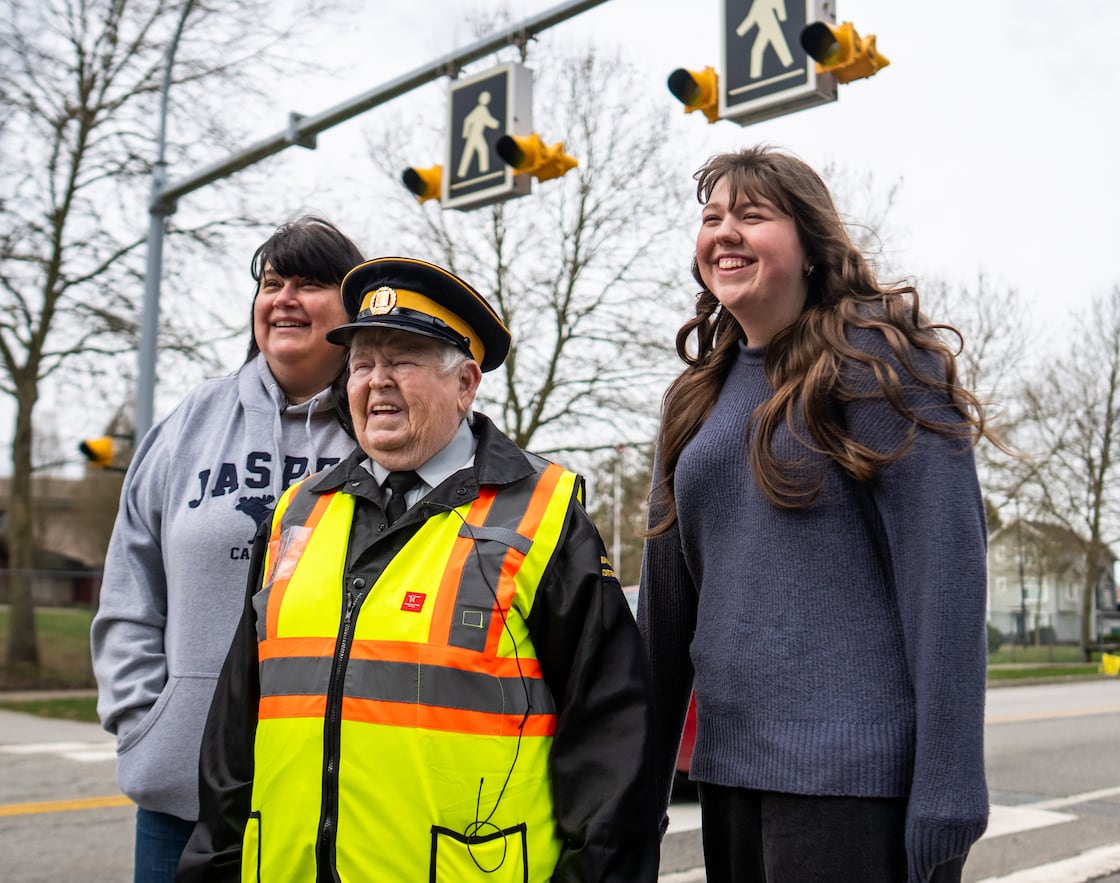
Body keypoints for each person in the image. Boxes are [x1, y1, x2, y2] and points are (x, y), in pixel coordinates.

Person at [178, 256, 659, 882]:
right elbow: (233, 731)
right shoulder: (296, 515)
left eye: (402, 361)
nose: (376, 382)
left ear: (465, 384)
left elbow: (610, 742)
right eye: (361, 364)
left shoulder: (544, 517)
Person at [637, 146, 994, 883]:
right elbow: (664, 621)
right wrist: (635, 795)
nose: (724, 232)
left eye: (752, 215)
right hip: (730, 778)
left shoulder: (880, 364)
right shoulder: (693, 400)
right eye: (712, 218)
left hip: (854, 789)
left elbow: (946, 582)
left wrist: (951, 789)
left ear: (809, 245)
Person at [91, 215, 366, 882]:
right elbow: (132, 582)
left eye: (309, 283)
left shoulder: (382, 429)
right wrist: (145, 718)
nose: (284, 299)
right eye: (272, 284)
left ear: (352, 308)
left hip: (332, 795)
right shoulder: (190, 424)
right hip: (182, 795)